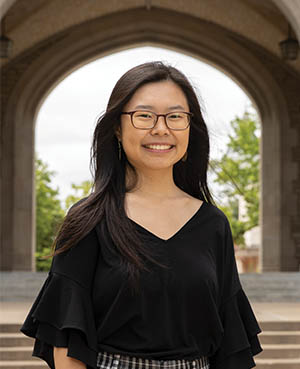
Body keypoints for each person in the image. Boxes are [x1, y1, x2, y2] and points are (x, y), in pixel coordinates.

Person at [20, 61, 263, 369]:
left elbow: (230, 345)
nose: (161, 128)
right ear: (117, 130)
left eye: (175, 116)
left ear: (190, 130)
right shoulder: (88, 219)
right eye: (144, 116)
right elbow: (66, 343)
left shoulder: (214, 225)